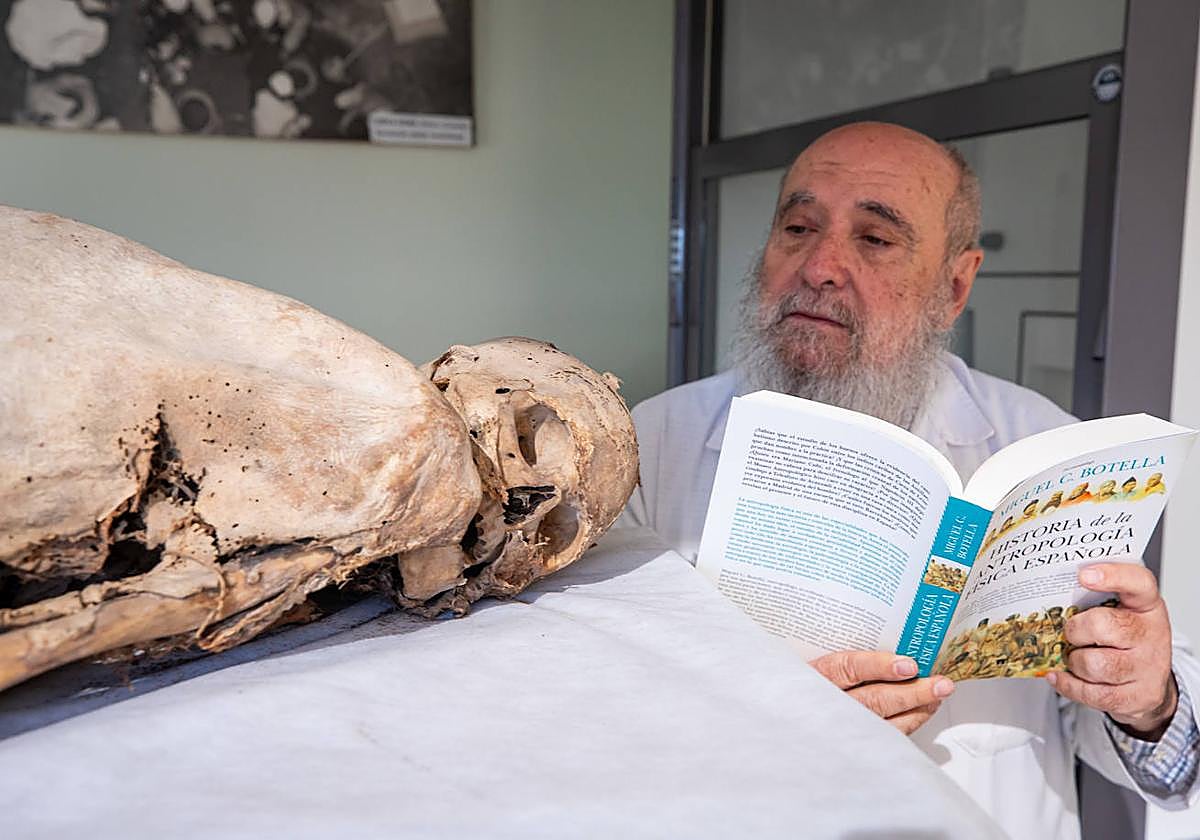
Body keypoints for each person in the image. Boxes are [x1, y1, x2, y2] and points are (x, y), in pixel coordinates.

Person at [620, 122, 1199, 838]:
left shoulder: (1041, 447)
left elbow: (1159, 755)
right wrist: (771, 718)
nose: (821, 265)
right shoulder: (656, 441)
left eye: (875, 239)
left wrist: (1149, 698)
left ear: (955, 286)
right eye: (797, 226)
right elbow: (601, 706)